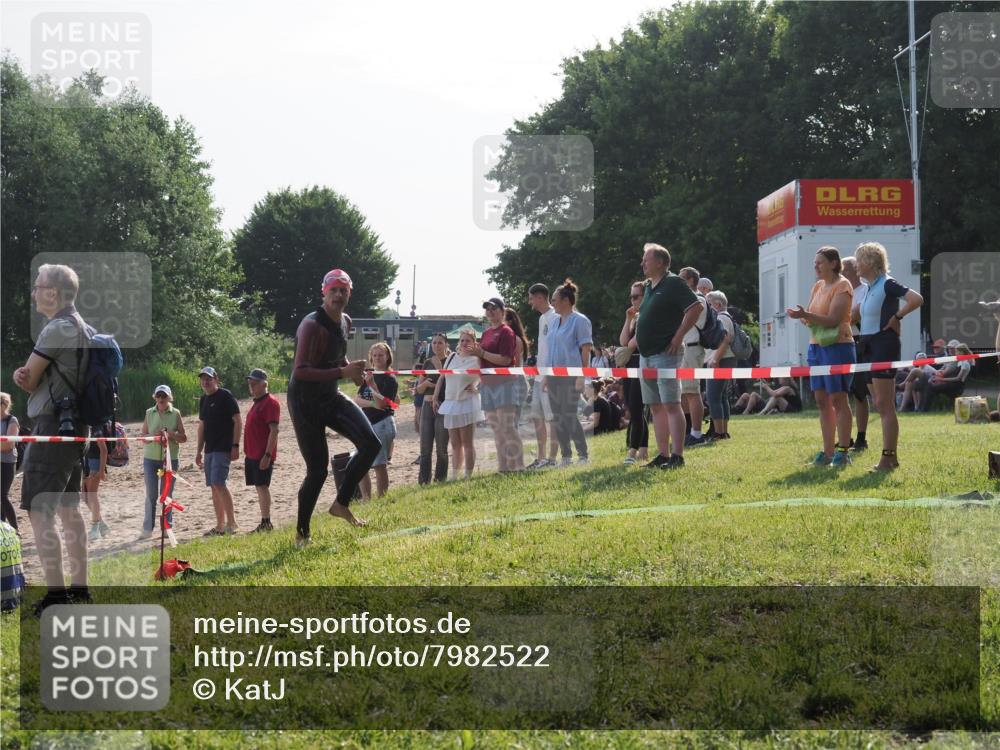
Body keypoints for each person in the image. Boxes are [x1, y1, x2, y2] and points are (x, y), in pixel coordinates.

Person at [14, 263, 93, 610]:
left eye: (38, 285)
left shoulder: (56, 329)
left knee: (39, 509)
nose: (33, 291)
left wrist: (22, 376)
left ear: (54, 293)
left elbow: (29, 380)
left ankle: (57, 595)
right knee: (69, 509)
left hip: (52, 425)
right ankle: (79, 590)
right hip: (78, 427)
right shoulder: (84, 328)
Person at [288, 269, 378, 540]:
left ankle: (340, 504)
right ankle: (302, 533)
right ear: (324, 293)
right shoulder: (311, 325)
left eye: (343, 290)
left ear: (349, 293)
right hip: (304, 402)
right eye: (334, 290)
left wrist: (350, 369)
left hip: (330, 395)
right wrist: (343, 372)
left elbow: (337, 356)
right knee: (317, 470)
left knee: (371, 444)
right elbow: (301, 370)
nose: (338, 295)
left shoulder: (346, 321)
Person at [853, 242, 923, 471]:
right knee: (879, 404)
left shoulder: (887, 283)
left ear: (871, 262)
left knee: (884, 405)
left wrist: (898, 317)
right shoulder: (869, 287)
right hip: (866, 346)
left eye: (859, 260)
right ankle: (890, 457)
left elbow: (916, 299)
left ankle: (888, 457)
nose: (856, 265)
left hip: (883, 345)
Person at [787, 246, 856, 467]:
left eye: (820, 262)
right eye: (814, 262)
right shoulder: (818, 286)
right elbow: (812, 315)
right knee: (821, 400)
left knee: (838, 399)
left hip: (838, 346)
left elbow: (834, 319)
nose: (815, 266)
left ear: (834, 264)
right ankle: (827, 453)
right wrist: (803, 317)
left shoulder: (843, 285)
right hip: (816, 347)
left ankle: (843, 451)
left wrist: (806, 315)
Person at [635, 244, 702, 469]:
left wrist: (678, 336)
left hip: (666, 353)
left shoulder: (674, 283)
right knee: (655, 406)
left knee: (672, 404)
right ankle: (663, 454)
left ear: (661, 262)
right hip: (646, 355)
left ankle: (677, 456)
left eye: (646, 259)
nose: (642, 263)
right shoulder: (649, 287)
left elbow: (695, 307)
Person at [472, 297, 524, 472]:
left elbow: (506, 360)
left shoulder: (506, 332)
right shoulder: (486, 333)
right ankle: (503, 468)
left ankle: (519, 465)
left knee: (507, 427)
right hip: (488, 384)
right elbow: (482, 357)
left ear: (503, 311)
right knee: (496, 429)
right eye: (487, 309)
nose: (490, 311)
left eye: (494, 308)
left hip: (505, 383)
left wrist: (482, 353)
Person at [545, 279, 593, 466]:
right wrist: (547, 377)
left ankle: (583, 455)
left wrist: (582, 376)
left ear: (566, 300)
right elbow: (551, 350)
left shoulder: (580, 321)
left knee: (569, 415)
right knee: (557, 417)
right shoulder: (555, 321)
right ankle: (566, 456)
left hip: (571, 376)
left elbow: (585, 349)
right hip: (553, 376)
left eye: (555, 300)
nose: (553, 303)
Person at [195, 367, 241, 536]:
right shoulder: (203, 400)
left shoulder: (225, 396)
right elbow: (202, 427)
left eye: (209, 378)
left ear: (216, 379)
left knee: (219, 483)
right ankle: (220, 525)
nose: (206, 382)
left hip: (223, 447)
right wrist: (199, 451)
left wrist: (235, 446)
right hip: (209, 449)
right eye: (203, 379)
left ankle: (232, 523)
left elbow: (237, 421)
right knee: (213, 486)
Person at [434, 328, 483, 479]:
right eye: (462, 340)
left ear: (474, 342)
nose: (464, 343)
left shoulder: (476, 359)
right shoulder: (452, 357)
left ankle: (468, 475)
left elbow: (487, 376)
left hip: (466, 402)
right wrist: (436, 396)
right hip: (450, 402)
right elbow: (442, 378)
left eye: (468, 340)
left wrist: (477, 388)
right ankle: (455, 475)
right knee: (455, 443)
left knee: (467, 442)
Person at [141, 384, 186, 539]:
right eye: (158, 396)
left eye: (164, 396)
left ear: (169, 398)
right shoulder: (149, 412)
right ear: (155, 397)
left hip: (170, 460)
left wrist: (170, 435)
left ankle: (167, 527)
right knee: (151, 495)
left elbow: (184, 437)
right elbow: (143, 437)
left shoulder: (176, 413)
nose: (161, 399)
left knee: (166, 495)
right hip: (150, 459)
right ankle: (147, 529)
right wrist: (153, 436)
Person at [356, 343, 398, 500]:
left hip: (383, 424)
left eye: (381, 355)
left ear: (387, 357)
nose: (378, 358)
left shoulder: (390, 379)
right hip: (368, 424)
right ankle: (367, 500)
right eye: (375, 355)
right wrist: (371, 402)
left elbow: (381, 405)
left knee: (379, 465)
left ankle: (381, 500)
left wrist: (372, 386)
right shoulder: (370, 376)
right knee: (361, 465)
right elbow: (357, 399)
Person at [526, 283, 559, 469]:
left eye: (531, 298)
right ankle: (541, 458)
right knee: (537, 417)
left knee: (551, 418)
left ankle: (552, 459)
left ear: (539, 297)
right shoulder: (541, 319)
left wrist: (550, 374)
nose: (530, 302)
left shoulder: (555, 317)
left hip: (551, 377)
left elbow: (555, 348)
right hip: (539, 377)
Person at [244, 369, 280, 532]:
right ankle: (264, 521)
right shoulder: (257, 402)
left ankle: (266, 522)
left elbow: (274, 430)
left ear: (264, 384)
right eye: (250, 382)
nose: (251, 385)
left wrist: (267, 455)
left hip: (262, 454)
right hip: (252, 453)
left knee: (262, 486)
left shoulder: (270, 402)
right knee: (259, 486)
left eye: (255, 382)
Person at [841, 256, 870, 452]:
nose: (842, 274)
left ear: (856, 271)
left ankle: (861, 438)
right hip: (842, 343)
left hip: (859, 343)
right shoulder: (841, 291)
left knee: (859, 393)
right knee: (842, 393)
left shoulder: (865, 291)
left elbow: (852, 317)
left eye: (846, 271)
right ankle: (845, 437)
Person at [619, 281, 649, 466]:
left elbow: (632, 345)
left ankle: (633, 449)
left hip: (641, 363)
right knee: (632, 406)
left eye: (636, 296)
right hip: (630, 365)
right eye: (631, 296)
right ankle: (643, 448)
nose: (633, 300)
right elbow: (624, 341)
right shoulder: (636, 317)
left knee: (637, 407)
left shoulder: (648, 316)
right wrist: (628, 318)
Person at [678, 268, 709, 447]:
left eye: (682, 279)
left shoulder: (697, 299)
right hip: (685, 349)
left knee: (692, 392)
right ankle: (688, 430)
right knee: (683, 393)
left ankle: (697, 434)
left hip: (692, 348)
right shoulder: (690, 299)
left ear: (690, 281)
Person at [416, 334, 450, 484]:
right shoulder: (427, 363)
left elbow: (452, 385)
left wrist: (436, 386)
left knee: (441, 448)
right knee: (425, 448)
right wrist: (426, 385)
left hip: (444, 406)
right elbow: (419, 389)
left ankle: (440, 480)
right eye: (434, 343)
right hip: (427, 406)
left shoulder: (451, 361)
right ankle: (424, 481)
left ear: (446, 344)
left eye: (440, 343)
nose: (437, 345)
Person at [705, 291, 737, 440]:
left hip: (720, 360)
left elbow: (725, 340)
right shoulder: (727, 317)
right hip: (725, 359)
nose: (707, 308)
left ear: (717, 304)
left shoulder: (721, 318)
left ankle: (719, 433)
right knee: (721, 396)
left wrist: (715, 360)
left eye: (709, 304)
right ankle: (723, 431)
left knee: (713, 397)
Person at [918, 341, 973, 409]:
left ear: (962, 352)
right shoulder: (960, 362)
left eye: (957, 352)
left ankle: (924, 409)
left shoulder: (965, 363)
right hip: (950, 383)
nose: (956, 353)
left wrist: (941, 379)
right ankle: (921, 407)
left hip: (955, 386)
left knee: (930, 386)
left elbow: (958, 379)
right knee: (928, 384)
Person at [81, 422, 109, 542]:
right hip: (85, 462)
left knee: (92, 496)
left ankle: (95, 528)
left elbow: (104, 450)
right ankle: (101, 525)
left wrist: (101, 470)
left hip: (94, 462)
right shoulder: (84, 425)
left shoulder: (96, 426)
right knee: (85, 497)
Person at [504, 307, 531, 418]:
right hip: (506, 384)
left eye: (502, 318)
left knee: (511, 425)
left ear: (510, 322)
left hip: (514, 384)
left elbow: (514, 366)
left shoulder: (516, 339)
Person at [0, 393, 19, 531]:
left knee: (2, 495)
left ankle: (15, 530)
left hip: (7, 463)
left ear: (3, 405)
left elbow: (8, 446)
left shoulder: (12, 420)